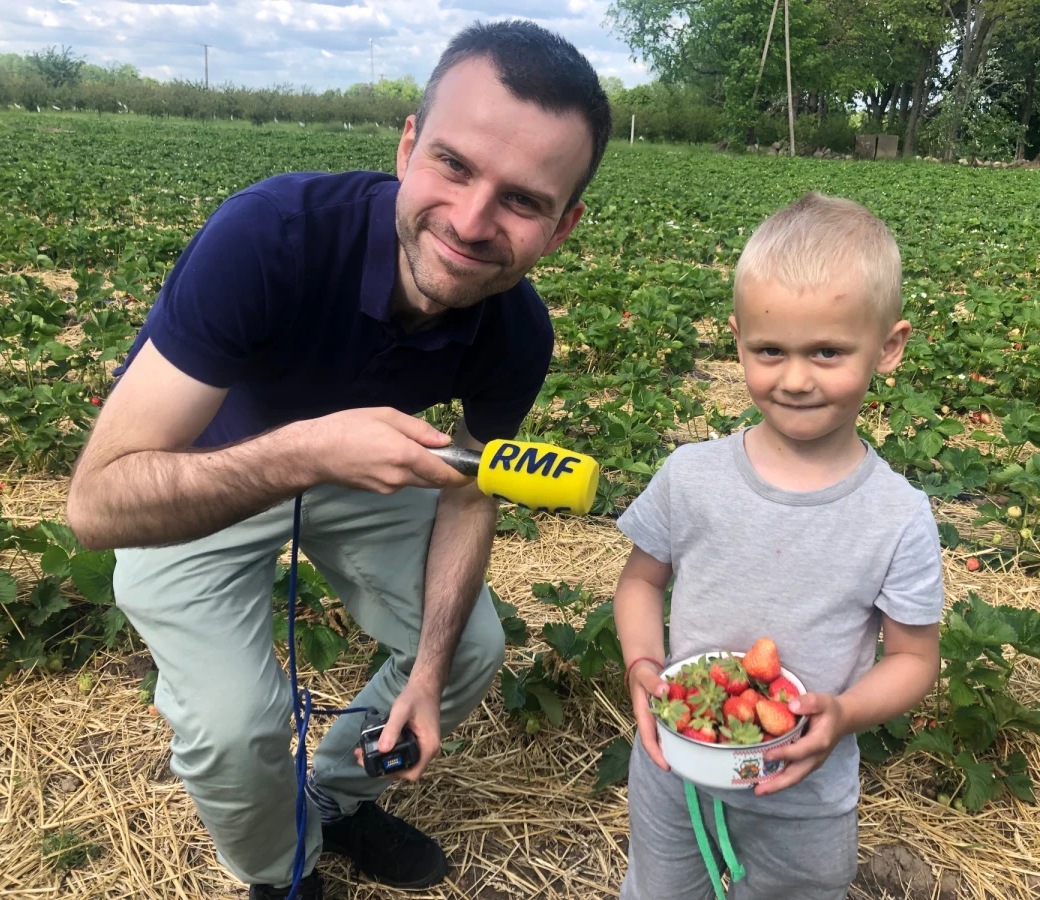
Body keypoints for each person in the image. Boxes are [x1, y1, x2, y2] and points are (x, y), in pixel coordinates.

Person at [65, 21, 611, 900]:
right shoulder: (269, 237)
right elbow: (95, 505)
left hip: (356, 467)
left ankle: (340, 795)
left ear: (563, 225)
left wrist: (428, 674)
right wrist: (312, 447)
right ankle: (285, 871)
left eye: (522, 200)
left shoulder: (517, 330)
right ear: (406, 145)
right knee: (239, 729)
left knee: (468, 647)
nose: (471, 222)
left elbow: (473, 487)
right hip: (199, 474)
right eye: (455, 165)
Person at [614, 193, 944, 899]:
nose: (795, 379)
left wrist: (845, 715)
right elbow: (640, 583)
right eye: (770, 351)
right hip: (678, 773)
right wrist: (644, 662)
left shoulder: (897, 515)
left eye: (827, 351)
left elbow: (915, 659)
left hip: (806, 792)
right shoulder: (691, 476)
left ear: (888, 347)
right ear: (737, 340)